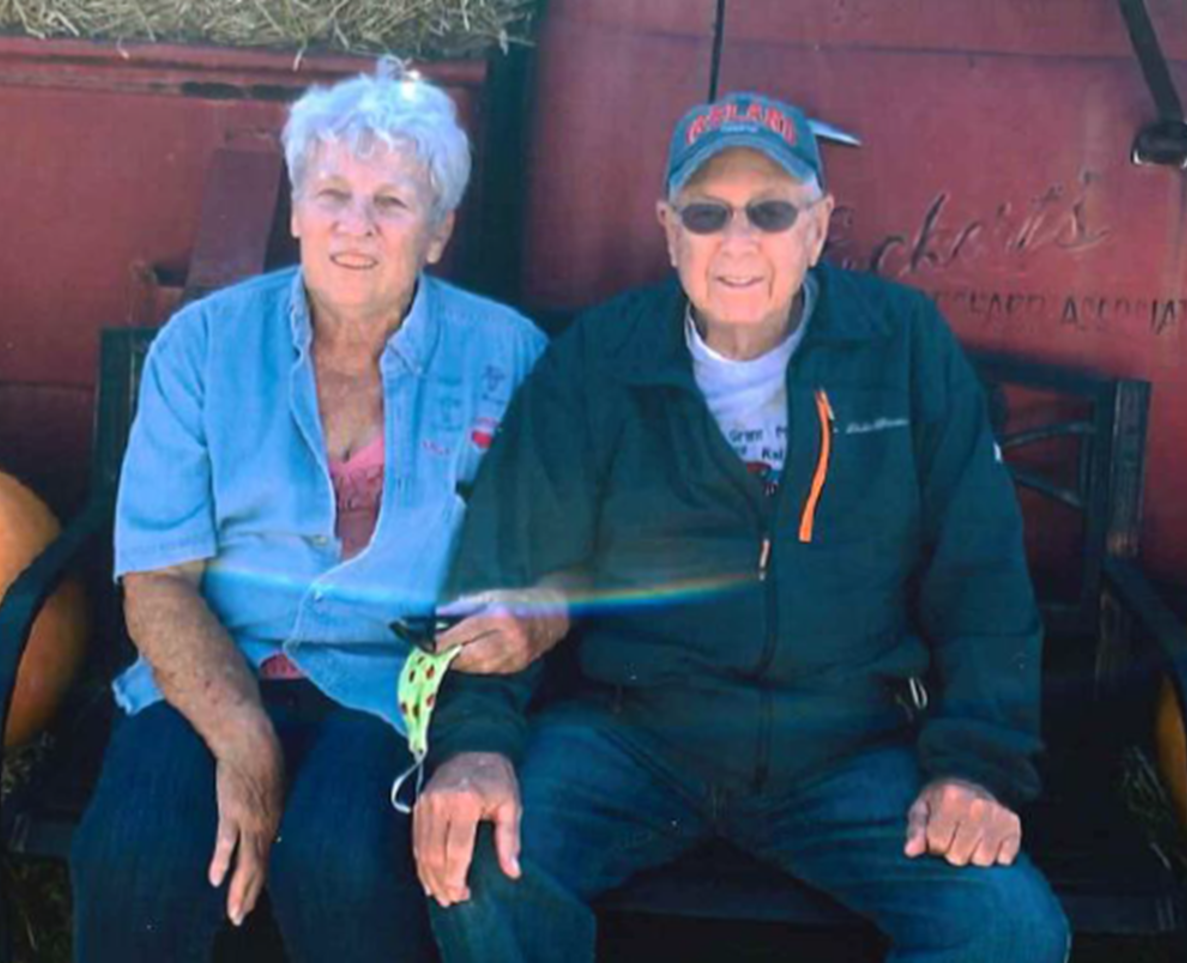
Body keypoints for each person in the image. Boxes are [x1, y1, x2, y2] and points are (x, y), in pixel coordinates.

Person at [412, 91, 1072, 963]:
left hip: (847, 745)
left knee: (1011, 929)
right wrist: (475, 746)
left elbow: (981, 577)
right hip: (637, 734)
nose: (737, 242)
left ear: (819, 224)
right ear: (668, 228)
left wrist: (974, 768)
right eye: (707, 213)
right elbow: (503, 570)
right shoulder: (602, 359)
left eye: (770, 211)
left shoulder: (900, 343)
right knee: (479, 872)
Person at [69, 60, 547, 963]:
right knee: (134, 848)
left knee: (342, 860)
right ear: (294, 212)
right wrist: (245, 742)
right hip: (215, 671)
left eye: (392, 203)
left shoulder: (506, 357)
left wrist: (539, 613)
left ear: (439, 230)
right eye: (331, 193)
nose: (355, 225)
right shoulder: (202, 347)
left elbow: (551, 554)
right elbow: (158, 582)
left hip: (389, 693)